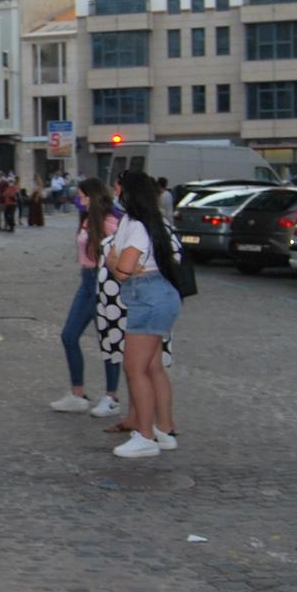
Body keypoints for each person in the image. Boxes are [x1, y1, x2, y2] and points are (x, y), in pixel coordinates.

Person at [104, 171, 184, 458]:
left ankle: (146, 436)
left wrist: (115, 262)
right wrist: (119, 263)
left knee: (134, 368)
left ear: (128, 192)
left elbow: (122, 269)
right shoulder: (138, 221)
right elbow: (122, 264)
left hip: (147, 297)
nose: (114, 193)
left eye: (117, 188)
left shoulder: (137, 225)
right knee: (152, 368)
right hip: (154, 294)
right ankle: (164, 430)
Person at [50, 177, 123, 417]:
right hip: (87, 282)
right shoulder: (88, 219)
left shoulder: (109, 221)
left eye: (82, 196)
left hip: (103, 282)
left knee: (109, 342)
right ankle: (78, 393)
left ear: (92, 196)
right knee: (69, 335)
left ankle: (111, 397)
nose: (79, 200)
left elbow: (119, 254)